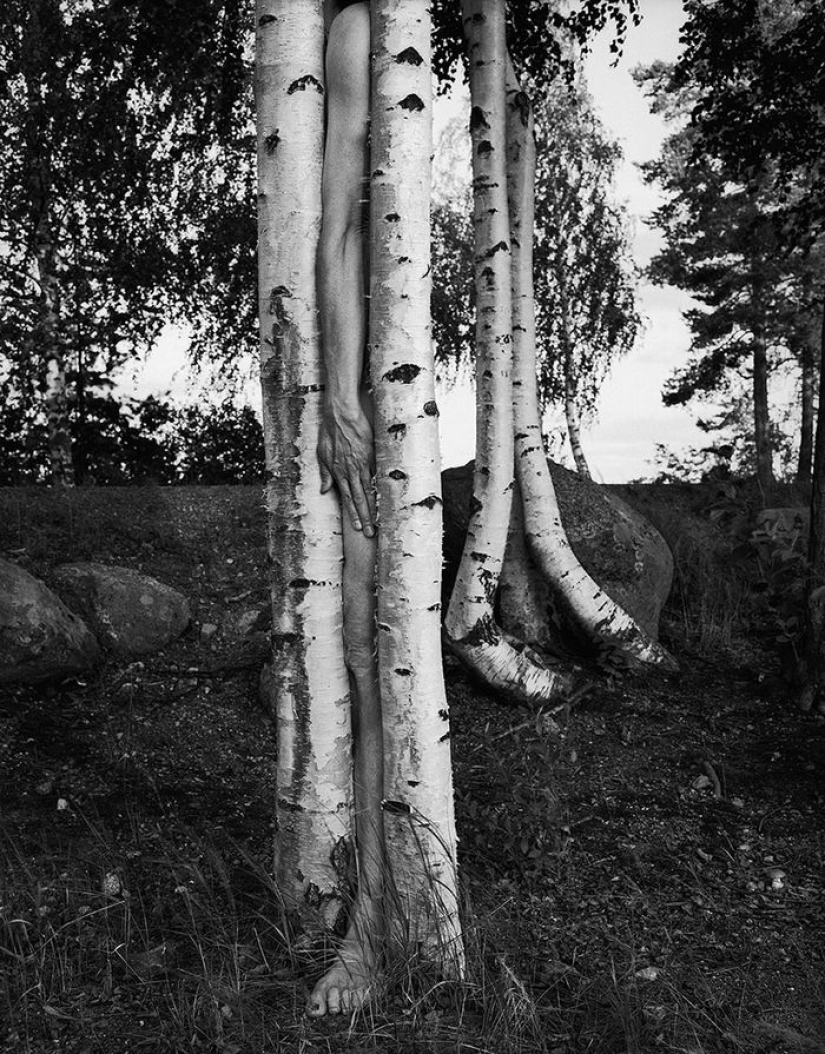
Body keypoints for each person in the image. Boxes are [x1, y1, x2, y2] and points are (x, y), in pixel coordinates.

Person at [309, 0, 381, 1018]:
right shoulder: (361, 26)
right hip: (369, 398)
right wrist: (340, 396)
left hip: (408, 382)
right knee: (370, 654)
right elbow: (337, 234)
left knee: (397, 660)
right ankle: (369, 931)